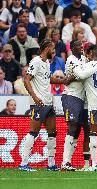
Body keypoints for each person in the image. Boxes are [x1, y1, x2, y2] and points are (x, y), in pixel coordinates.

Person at [19, 39, 66, 171]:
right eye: (53, 49)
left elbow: (47, 79)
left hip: (48, 102)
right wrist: (35, 97)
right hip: (38, 103)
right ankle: (23, 163)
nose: (54, 52)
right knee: (33, 132)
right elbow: (26, 79)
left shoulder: (46, 62)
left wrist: (63, 80)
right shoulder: (36, 61)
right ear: (47, 48)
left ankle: (51, 164)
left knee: (52, 133)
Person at [61, 39, 87, 171]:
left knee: (76, 130)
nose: (80, 47)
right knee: (72, 127)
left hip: (81, 98)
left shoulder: (83, 58)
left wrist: (72, 77)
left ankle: (68, 161)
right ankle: (64, 162)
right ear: (71, 48)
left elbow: (81, 75)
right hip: (71, 96)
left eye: (81, 45)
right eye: (77, 45)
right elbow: (82, 75)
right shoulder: (71, 59)